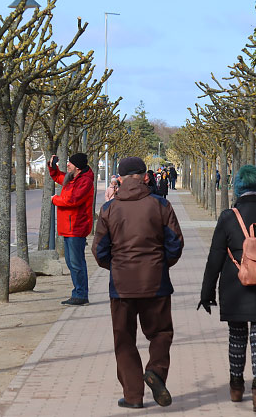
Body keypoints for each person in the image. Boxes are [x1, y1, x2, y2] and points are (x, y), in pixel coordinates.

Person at [199, 165, 256, 413]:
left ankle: (236, 387)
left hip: (235, 287)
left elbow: (215, 257)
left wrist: (207, 293)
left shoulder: (228, 217)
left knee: (237, 337)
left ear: (237, 188)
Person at [93, 156, 184, 409]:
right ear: (145, 176)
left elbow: (99, 251)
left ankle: (133, 395)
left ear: (119, 179)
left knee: (124, 339)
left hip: (121, 284)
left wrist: (117, 265)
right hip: (156, 282)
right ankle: (155, 371)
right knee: (161, 332)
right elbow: (175, 244)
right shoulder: (161, 205)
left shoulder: (108, 209)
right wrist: (160, 264)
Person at [48, 152, 94, 306]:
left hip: (76, 227)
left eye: (70, 163)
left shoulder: (85, 182)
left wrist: (55, 199)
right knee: (71, 262)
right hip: (69, 228)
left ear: (78, 168)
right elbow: (57, 177)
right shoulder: (73, 178)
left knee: (76, 263)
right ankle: (78, 293)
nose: (67, 165)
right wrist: (52, 166)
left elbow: (71, 200)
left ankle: (81, 295)